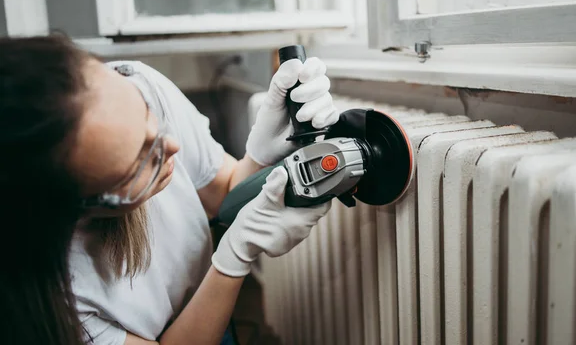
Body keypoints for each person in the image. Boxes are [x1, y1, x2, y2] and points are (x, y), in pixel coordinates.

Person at [0, 34, 340, 345]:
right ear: (76, 210)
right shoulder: (58, 301)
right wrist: (233, 256)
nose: (172, 145)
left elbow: (224, 190)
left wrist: (260, 153)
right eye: (139, 160)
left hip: (208, 301)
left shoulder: (138, 82)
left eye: (149, 114)